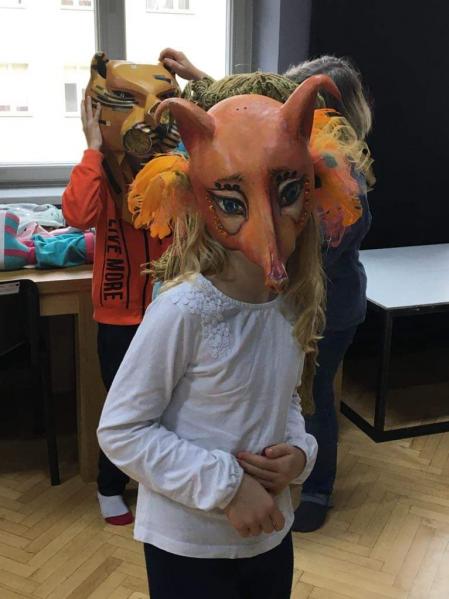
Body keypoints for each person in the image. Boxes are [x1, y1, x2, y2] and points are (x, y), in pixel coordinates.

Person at [97, 69, 366, 597]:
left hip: (268, 536)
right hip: (189, 546)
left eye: (287, 194)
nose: (269, 229)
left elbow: (284, 399)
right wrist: (227, 487)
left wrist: (299, 452)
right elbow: (123, 430)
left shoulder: (288, 302)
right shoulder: (183, 312)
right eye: (233, 201)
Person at [62, 52, 179, 525]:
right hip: (119, 315)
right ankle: (110, 486)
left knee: (168, 403)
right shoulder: (101, 173)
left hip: (169, 310)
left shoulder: (170, 169)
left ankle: (158, 481)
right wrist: (93, 149)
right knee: (123, 405)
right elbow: (77, 214)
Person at [284, 55, 374, 532]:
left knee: (314, 397)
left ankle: (317, 491)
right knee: (296, 394)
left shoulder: (342, 172)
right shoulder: (312, 158)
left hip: (330, 311)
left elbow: (321, 253)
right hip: (309, 306)